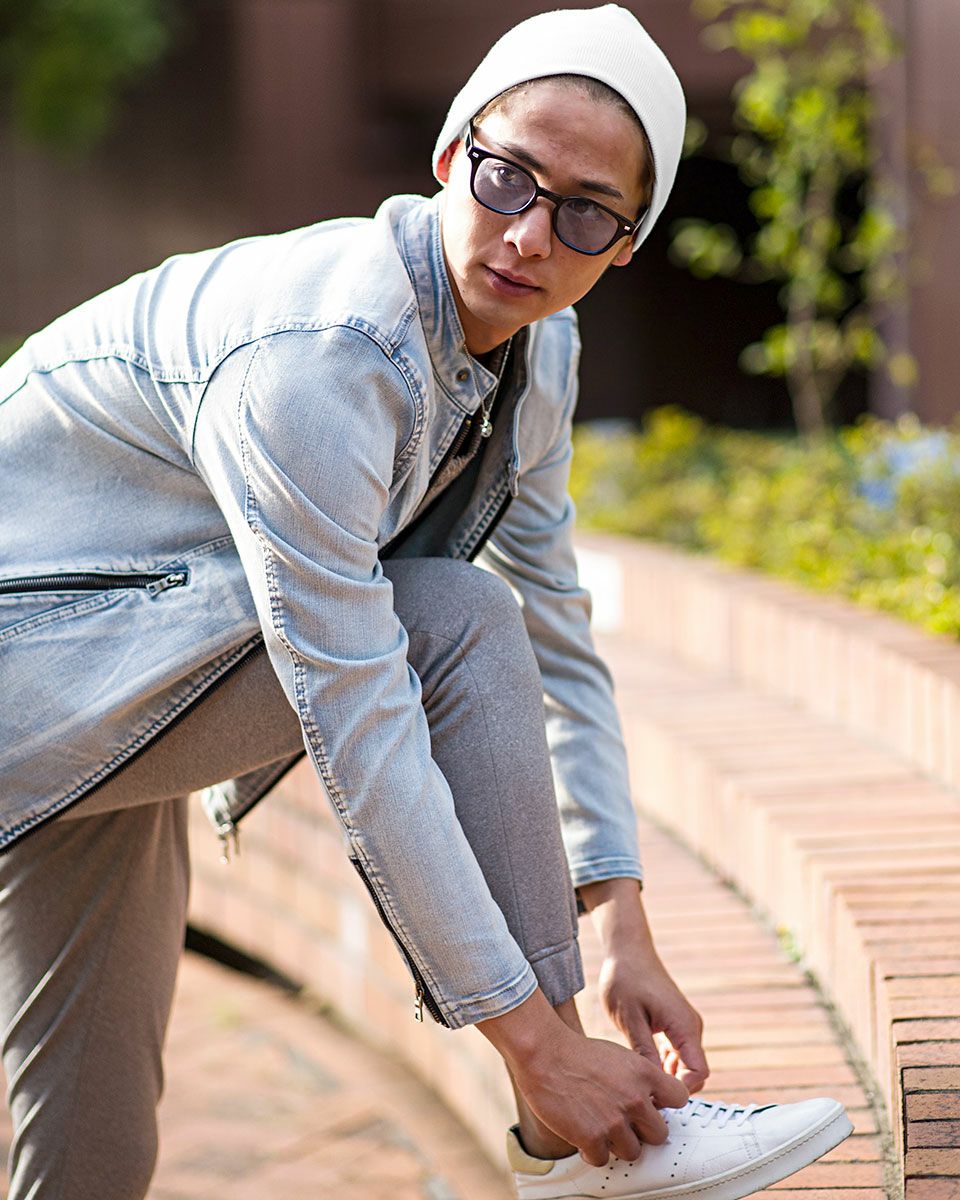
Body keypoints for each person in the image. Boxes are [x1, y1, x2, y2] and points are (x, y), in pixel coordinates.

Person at [0, 6, 852, 1198]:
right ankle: (570, 1143)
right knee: (451, 620)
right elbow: (359, 701)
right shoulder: (324, 355)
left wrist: (620, 914)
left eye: (585, 212)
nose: (529, 234)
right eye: (509, 178)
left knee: (91, 1142)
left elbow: (558, 627)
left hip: (118, 675)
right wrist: (537, 1046)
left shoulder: (537, 350)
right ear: (452, 153)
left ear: (627, 245)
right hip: (48, 661)